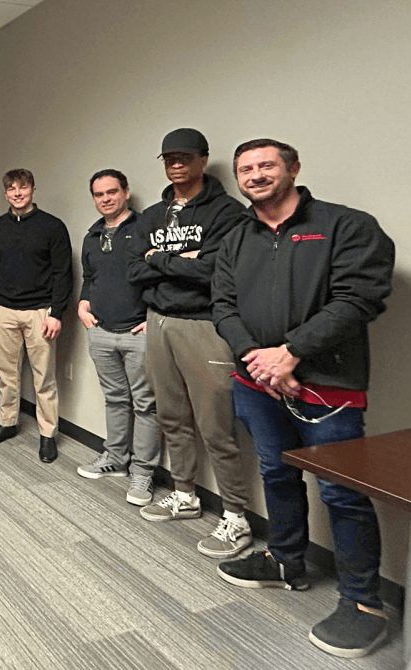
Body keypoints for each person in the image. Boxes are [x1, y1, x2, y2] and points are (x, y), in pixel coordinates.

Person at [213, 139, 395, 658]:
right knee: (276, 473)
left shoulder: (346, 226)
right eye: (246, 169)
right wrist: (258, 360)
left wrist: (291, 353)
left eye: (266, 165)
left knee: (342, 492)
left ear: (292, 168)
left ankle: (363, 603)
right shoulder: (236, 238)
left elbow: (358, 298)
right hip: (257, 383)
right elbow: (222, 306)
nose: (254, 175)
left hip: (326, 386)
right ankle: (285, 560)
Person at [125, 128, 254, 559]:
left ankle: (236, 515)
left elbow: (217, 271)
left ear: (202, 159)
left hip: (204, 325)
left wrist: (159, 260)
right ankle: (185, 494)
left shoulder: (227, 212)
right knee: (172, 415)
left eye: (184, 157)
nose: (176, 164)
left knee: (216, 424)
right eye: (169, 158)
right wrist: (184, 261)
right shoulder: (153, 215)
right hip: (158, 321)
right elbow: (133, 270)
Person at [75, 169, 160, 506]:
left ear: (125, 192)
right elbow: (90, 277)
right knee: (115, 399)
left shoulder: (145, 229)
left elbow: (160, 273)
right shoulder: (92, 235)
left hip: (138, 331)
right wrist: (83, 304)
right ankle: (115, 458)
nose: (106, 199)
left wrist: (154, 316)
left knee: (145, 404)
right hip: (100, 330)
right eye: (99, 194)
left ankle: (143, 471)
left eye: (112, 192)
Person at [0, 169, 72, 463]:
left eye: (23, 187)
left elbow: (63, 273)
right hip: (3, 310)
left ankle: (47, 434)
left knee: (44, 379)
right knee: (7, 375)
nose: (17, 193)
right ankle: (7, 423)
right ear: (5, 193)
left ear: (32, 189)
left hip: (39, 312)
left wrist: (56, 313)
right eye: (11, 189)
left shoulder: (52, 226)